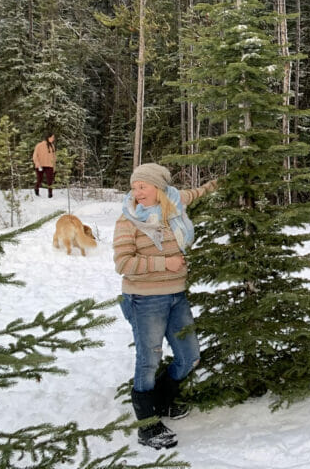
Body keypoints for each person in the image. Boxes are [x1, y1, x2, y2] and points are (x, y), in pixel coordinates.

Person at [113, 162, 216, 450]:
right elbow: (123, 263)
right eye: (134, 187)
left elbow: (196, 193)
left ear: (160, 188)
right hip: (144, 299)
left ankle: (162, 401)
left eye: (143, 186)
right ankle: (147, 425)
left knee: (190, 356)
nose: (137, 192)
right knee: (149, 360)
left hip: (176, 295)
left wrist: (219, 185)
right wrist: (165, 263)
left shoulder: (173, 202)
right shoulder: (128, 219)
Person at [32, 133, 56, 197]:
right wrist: (38, 164)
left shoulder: (52, 146)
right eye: (52, 137)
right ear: (48, 137)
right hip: (40, 165)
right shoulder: (39, 145)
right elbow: (35, 156)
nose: (53, 139)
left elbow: (54, 157)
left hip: (50, 165)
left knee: (50, 180)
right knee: (39, 179)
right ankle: (36, 188)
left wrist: (54, 166)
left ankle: (50, 194)